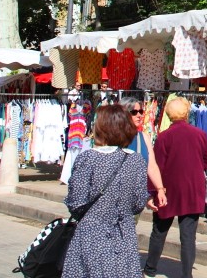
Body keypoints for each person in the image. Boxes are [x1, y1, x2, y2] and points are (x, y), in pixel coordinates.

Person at [63, 104, 149, 278]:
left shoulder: (88, 158)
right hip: (124, 234)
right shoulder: (136, 160)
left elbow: (76, 201)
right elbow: (139, 202)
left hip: (91, 234)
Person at [143, 97, 207, 278]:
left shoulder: (164, 137)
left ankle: (150, 269)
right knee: (188, 236)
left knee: (159, 230)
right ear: (187, 112)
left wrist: (153, 191)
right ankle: (186, 274)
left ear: (168, 114)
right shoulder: (200, 135)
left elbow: (156, 166)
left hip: (167, 189)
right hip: (192, 189)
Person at [121, 97, 167, 208]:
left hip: (135, 197)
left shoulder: (143, 137)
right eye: (134, 112)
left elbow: (151, 165)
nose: (140, 115)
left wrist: (160, 189)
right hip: (115, 196)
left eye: (141, 111)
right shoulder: (113, 137)